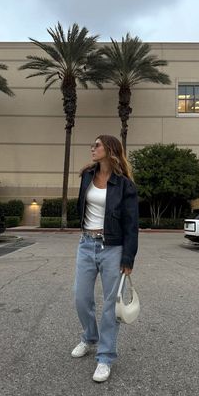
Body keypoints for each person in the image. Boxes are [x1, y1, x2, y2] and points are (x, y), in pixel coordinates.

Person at [71, 134, 139, 382]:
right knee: (80, 296)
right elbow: (83, 207)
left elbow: (132, 225)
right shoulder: (87, 175)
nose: (93, 148)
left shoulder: (125, 185)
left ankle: (105, 356)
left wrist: (128, 258)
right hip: (86, 244)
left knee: (111, 305)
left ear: (110, 149)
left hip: (113, 248)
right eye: (93, 144)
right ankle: (90, 337)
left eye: (97, 145)